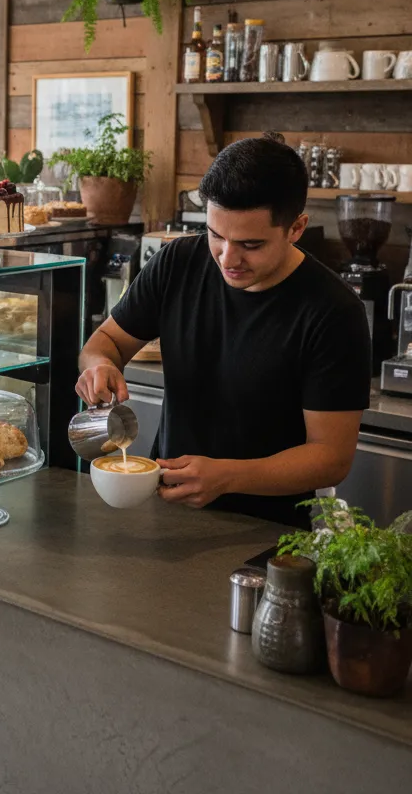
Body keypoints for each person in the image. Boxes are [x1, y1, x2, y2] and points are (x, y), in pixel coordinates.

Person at [75, 135, 371, 527]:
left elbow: (331, 458)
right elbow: (106, 341)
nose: (227, 258)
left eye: (251, 243)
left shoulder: (334, 312)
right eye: (216, 234)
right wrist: (98, 364)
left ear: (296, 228)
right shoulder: (178, 262)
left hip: (264, 535)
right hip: (163, 512)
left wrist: (228, 477)